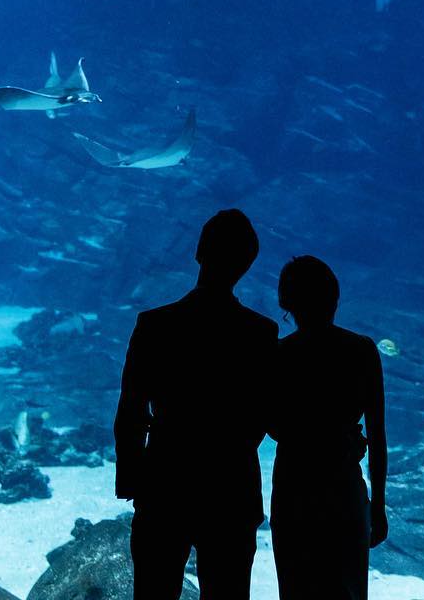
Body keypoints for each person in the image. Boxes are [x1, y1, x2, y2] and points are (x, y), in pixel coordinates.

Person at [114, 209, 279, 600]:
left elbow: (131, 409)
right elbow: (264, 415)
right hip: (231, 485)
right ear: (247, 265)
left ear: (199, 252)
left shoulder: (154, 325)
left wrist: (131, 480)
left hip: (164, 481)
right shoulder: (260, 333)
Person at [267, 255, 388, 600]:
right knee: (347, 591)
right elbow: (378, 435)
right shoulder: (362, 350)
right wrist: (377, 505)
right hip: (343, 489)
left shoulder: (278, 354)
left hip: (294, 488)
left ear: (287, 304)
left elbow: (271, 425)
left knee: (296, 589)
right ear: (334, 299)